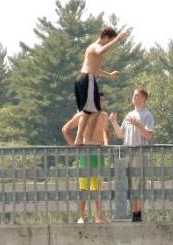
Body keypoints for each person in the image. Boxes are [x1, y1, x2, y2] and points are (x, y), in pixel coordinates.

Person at [74, 27, 127, 146]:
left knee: (90, 111)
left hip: (85, 78)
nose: (110, 44)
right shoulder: (95, 46)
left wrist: (110, 75)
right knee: (93, 111)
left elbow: (96, 70)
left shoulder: (93, 49)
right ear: (106, 37)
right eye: (110, 40)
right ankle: (84, 139)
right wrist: (117, 40)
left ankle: (79, 139)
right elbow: (100, 51)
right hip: (87, 79)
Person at [64, 93, 112, 224]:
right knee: (83, 187)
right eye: (99, 100)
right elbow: (65, 130)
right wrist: (75, 148)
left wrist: (106, 143)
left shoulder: (104, 116)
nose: (101, 102)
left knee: (97, 187)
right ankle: (81, 216)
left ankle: (98, 216)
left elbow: (106, 131)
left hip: (99, 154)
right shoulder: (82, 115)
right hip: (85, 154)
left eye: (103, 100)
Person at [110, 88, 156, 222]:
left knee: (139, 184)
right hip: (128, 153)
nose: (134, 98)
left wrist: (137, 124)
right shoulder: (129, 115)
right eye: (134, 95)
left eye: (137, 95)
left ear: (144, 98)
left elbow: (149, 135)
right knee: (130, 184)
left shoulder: (147, 115)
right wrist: (113, 122)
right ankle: (133, 212)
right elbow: (120, 134)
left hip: (140, 153)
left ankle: (138, 212)